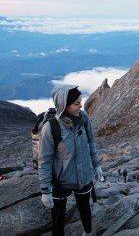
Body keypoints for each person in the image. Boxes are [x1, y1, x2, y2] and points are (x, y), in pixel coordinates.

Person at [38, 84, 103, 236]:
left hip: (84, 175)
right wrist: (45, 190)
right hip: (61, 181)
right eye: (76, 103)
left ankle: (88, 233)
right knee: (58, 217)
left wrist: (97, 165)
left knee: (84, 208)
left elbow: (91, 143)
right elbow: (44, 160)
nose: (81, 106)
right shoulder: (51, 128)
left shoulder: (83, 118)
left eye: (81, 101)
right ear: (64, 105)